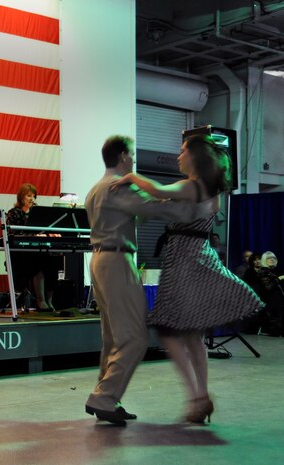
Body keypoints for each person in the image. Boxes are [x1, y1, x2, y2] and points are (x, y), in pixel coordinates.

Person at [112, 134, 262, 424]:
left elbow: (155, 190)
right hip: (199, 257)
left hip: (184, 262)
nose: (178, 156)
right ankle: (200, 397)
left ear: (194, 158)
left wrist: (131, 176)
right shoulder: (211, 192)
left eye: (182, 152)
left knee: (169, 331)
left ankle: (197, 397)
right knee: (192, 335)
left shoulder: (191, 186)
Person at [83, 135, 213, 426]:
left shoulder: (96, 189)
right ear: (123, 157)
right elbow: (151, 210)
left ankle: (107, 396)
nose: (133, 160)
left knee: (112, 338)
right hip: (117, 261)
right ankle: (104, 397)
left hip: (100, 261)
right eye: (131, 155)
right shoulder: (119, 186)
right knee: (135, 337)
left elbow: (135, 214)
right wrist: (192, 210)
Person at [5, 183, 61, 311]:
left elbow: (46, 229)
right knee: (39, 263)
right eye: (28, 196)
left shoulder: (38, 212)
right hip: (21, 253)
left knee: (53, 262)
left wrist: (50, 233)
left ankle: (49, 300)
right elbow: (13, 234)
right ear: (21, 197)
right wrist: (34, 235)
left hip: (39, 250)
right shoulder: (14, 213)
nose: (32, 199)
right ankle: (40, 301)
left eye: (33, 196)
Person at [258, 251, 284, 336]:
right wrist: (279, 279)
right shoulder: (263, 271)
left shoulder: (275, 270)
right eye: (269, 258)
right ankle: (275, 332)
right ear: (264, 260)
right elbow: (268, 287)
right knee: (275, 315)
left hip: (278, 297)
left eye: (274, 258)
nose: (272, 259)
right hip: (270, 298)